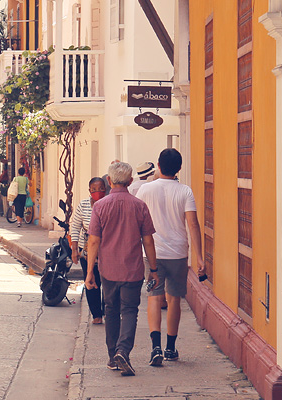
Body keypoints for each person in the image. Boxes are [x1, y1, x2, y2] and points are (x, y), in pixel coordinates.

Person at [86, 161, 158, 377]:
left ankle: (112, 357)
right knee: (129, 311)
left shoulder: (99, 207)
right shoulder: (139, 206)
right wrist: (153, 269)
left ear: (109, 181)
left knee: (111, 311)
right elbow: (148, 241)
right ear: (130, 181)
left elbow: (93, 242)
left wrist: (90, 272)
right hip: (133, 269)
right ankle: (123, 351)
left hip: (108, 270)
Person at [136, 148, 204, 365]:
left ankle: (155, 347)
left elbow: (136, 220)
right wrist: (199, 257)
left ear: (158, 165)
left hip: (153, 253)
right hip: (177, 253)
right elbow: (192, 223)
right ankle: (170, 348)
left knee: (154, 297)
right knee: (174, 299)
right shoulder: (185, 191)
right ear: (180, 168)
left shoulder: (145, 190)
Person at [70, 175, 109, 324]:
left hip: (106, 250)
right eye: (94, 190)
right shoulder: (84, 205)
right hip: (86, 250)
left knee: (106, 281)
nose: (97, 192)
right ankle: (96, 315)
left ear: (105, 190)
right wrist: (74, 249)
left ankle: (107, 310)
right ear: (89, 191)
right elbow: (75, 226)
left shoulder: (108, 204)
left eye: (100, 189)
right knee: (90, 280)